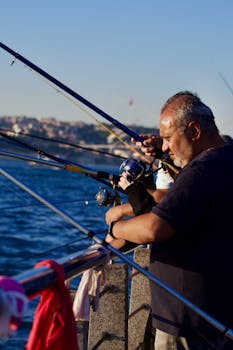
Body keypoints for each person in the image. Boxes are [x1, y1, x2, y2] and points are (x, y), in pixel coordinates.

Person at [106, 91, 233, 349]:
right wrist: (167, 157)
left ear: (195, 131)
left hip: (189, 323)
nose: (164, 147)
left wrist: (116, 227)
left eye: (167, 138)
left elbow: (155, 227)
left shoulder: (204, 169)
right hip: (217, 315)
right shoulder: (225, 157)